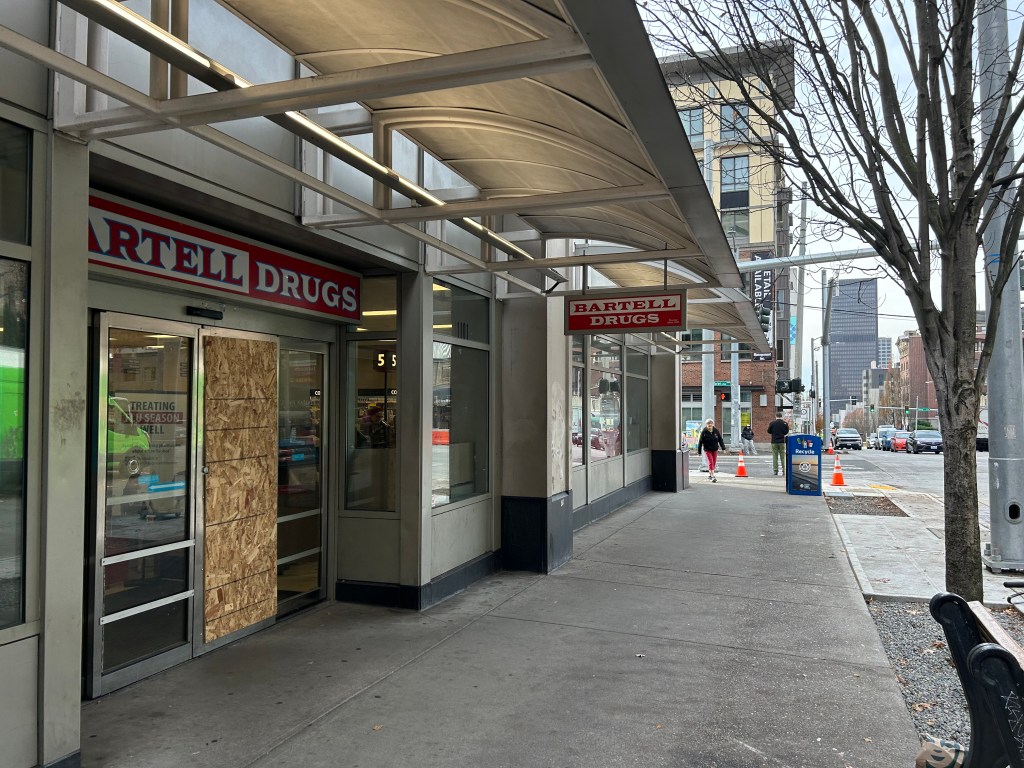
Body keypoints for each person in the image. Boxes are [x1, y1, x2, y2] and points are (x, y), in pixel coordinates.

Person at [696, 418, 726, 482]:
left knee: (714, 462)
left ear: (713, 424)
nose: (710, 425)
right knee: (711, 462)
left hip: (715, 449)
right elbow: (700, 442)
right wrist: (699, 451)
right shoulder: (704, 432)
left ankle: (710, 475)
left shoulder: (716, 431)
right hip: (707, 449)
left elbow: (720, 439)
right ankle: (712, 476)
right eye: (708, 424)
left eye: (711, 423)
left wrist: (723, 448)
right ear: (706, 425)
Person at [767, 411, 790, 476]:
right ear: (781, 416)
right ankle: (784, 470)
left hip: (774, 441)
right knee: (783, 456)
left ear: (776, 416)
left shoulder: (772, 423)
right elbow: (786, 432)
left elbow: (769, 431)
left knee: (775, 456)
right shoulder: (785, 423)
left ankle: (775, 470)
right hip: (782, 441)